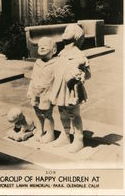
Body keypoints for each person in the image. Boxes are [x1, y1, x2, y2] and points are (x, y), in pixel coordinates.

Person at [50, 24, 91, 153]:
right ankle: (65, 135)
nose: (66, 31)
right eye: (65, 29)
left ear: (76, 35)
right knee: (62, 111)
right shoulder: (62, 53)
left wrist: (81, 75)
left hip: (71, 90)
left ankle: (79, 139)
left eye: (70, 30)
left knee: (74, 113)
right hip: (59, 87)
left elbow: (88, 74)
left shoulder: (79, 55)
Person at [27, 37, 57, 143]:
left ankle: (50, 133)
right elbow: (33, 78)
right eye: (40, 46)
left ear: (54, 50)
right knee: (37, 112)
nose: (42, 47)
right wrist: (30, 90)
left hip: (47, 93)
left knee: (47, 114)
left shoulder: (55, 63)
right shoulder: (37, 62)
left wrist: (55, 94)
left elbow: (57, 81)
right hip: (36, 92)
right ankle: (40, 130)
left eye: (45, 45)